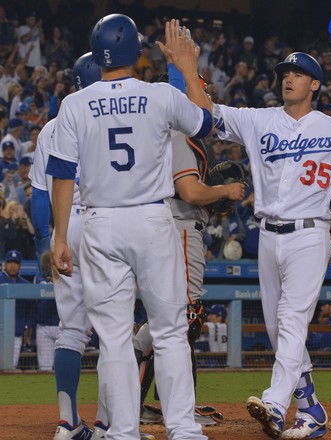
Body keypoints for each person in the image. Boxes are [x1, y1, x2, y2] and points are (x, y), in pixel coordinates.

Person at [163, 35, 331, 438]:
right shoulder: (259, 119)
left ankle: (274, 402)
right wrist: (186, 71)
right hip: (268, 234)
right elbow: (207, 113)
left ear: (314, 84)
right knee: (276, 329)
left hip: (309, 233)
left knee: (291, 320)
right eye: (285, 73)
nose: (289, 79)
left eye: (298, 74)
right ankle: (311, 408)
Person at [46, 14, 211, 440]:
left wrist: (61, 236)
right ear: (137, 52)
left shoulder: (74, 104)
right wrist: (187, 70)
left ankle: (122, 432)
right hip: (153, 220)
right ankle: (184, 430)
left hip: (101, 222)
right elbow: (206, 123)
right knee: (171, 330)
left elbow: (63, 176)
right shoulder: (159, 95)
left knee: (113, 338)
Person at [133, 70, 244, 426]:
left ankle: (141, 397)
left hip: (162, 223)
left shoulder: (163, 129)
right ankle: (178, 406)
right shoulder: (179, 131)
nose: (206, 94)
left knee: (171, 318)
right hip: (178, 223)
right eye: (199, 87)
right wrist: (225, 192)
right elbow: (191, 193)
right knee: (186, 319)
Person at [30, 52, 109, 440]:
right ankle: (112, 426)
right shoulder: (114, 116)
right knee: (113, 331)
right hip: (108, 222)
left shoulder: (51, 127)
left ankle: (67, 423)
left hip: (68, 225)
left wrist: (47, 241)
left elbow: (40, 196)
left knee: (71, 330)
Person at [0, 249, 32, 369]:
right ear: (5, 264)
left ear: (20, 265)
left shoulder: (26, 285)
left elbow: (30, 310)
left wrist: (28, 327)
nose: (12, 265)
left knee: (10, 368)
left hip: (17, 333)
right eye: (10, 262)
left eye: (16, 262)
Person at [34, 250, 59, 371]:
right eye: (47, 263)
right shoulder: (38, 278)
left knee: (63, 367)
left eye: (51, 263)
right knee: (45, 368)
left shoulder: (64, 277)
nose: (49, 265)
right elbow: (37, 303)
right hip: (43, 326)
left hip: (62, 326)